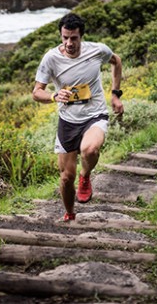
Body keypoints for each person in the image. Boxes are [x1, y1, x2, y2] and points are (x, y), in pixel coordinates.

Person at [32, 13, 124, 222]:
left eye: (73, 38)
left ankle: (86, 175)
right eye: (65, 38)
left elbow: (116, 61)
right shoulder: (51, 58)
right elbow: (37, 92)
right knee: (66, 178)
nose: (69, 43)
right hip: (68, 120)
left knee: (89, 149)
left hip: (95, 114)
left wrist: (115, 94)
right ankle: (70, 213)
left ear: (81, 36)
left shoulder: (97, 50)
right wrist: (54, 96)